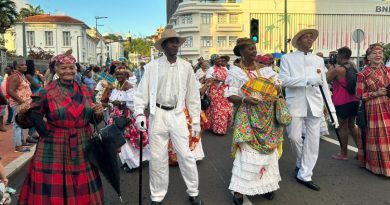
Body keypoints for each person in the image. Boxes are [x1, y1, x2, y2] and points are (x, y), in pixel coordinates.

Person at [18, 50, 105, 204]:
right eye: (63, 68)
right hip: (54, 144)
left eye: (71, 67)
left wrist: (98, 113)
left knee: (82, 185)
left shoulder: (86, 90)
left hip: (82, 143)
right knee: (53, 187)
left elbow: (94, 121)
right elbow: (30, 121)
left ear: (76, 69)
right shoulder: (46, 92)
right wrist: (22, 114)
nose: (68, 71)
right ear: (55, 70)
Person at [133, 29, 202, 205]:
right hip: (158, 114)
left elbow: (193, 97)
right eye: (170, 42)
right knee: (157, 157)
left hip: (178, 114)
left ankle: (193, 191)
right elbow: (141, 94)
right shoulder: (151, 67)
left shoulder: (186, 67)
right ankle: (157, 195)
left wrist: (195, 121)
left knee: (185, 155)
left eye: (176, 42)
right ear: (163, 46)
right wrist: (140, 113)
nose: (174, 45)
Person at [225, 38, 283, 205]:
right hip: (246, 117)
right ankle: (239, 189)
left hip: (267, 117)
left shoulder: (266, 71)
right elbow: (230, 95)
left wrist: (277, 86)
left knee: (268, 150)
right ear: (241, 52)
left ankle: (268, 185)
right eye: (250, 49)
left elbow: (278, 84)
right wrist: (245, 100)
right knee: (247, 151)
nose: (254, 51)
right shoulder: (235, 72)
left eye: (254, 48)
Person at [280, 29, 338, 191]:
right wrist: (307, 80)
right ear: (298, 41)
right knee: (293, 137)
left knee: (313, 140)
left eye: (311, 37)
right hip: (295, 103)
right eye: (306, 37)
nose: (309, 39)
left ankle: (305, 173)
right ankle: (300, 162)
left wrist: (332, 112)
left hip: (315, 103)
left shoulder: (318, 60)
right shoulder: (287, 58)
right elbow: (283, 81)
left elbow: (324, 86)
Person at [104, 66, 150, 171]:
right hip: (116, 116)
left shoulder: (129, 86)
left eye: (121, 74)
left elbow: (134, 103)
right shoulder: (117, 85)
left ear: (126, 75)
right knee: (120, 141)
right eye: (117, 74)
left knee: (126, 141)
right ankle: (128, 162)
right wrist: (110, 103)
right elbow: (113, 99)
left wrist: (120, 103)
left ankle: (133, 163)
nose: (119, 76)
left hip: (126, 118)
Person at [356, 43, 390, 177]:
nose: (378, 55)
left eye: (380, 53)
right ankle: (377, 167)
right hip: (374, 108)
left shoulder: (388, 71)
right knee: (379, 139)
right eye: (374, 53)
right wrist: (375, 94)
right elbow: (359, 95)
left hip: (388, 105)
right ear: (368, 57)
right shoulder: (362, 74)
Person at [326, 46, 359, 160]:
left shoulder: (337, 69)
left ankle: (343, 154)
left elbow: (326, 80)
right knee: (352, 125)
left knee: (343, 127)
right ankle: (361, 151)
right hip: (354, 100)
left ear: (339, 56)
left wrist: (330, 68)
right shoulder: (353, 66)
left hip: (342, 101)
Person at [7, 59, 33, 153]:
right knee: (17, 124)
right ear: (17, 67)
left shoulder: (21, 75)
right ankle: (18, 146)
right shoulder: (15, 76)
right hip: (18, 104)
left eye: (25, 64)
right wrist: (21, 101)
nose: (25, 66)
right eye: (22, 65)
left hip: (23, 104)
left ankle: (22, 142)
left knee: (21, 122)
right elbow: (10, 91)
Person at [204, 54, 233, 135]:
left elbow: (229, 77)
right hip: (215, 92)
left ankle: (221, 127)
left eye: (220, 60)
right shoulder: (211, 69)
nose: (220, 61)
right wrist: (218, 79)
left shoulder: (224, 68)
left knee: (226, 110)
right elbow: (208, 78)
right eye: (218, 60)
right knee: (217, 110)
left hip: (224, 92)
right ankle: (218, 130)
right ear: (214, 61)